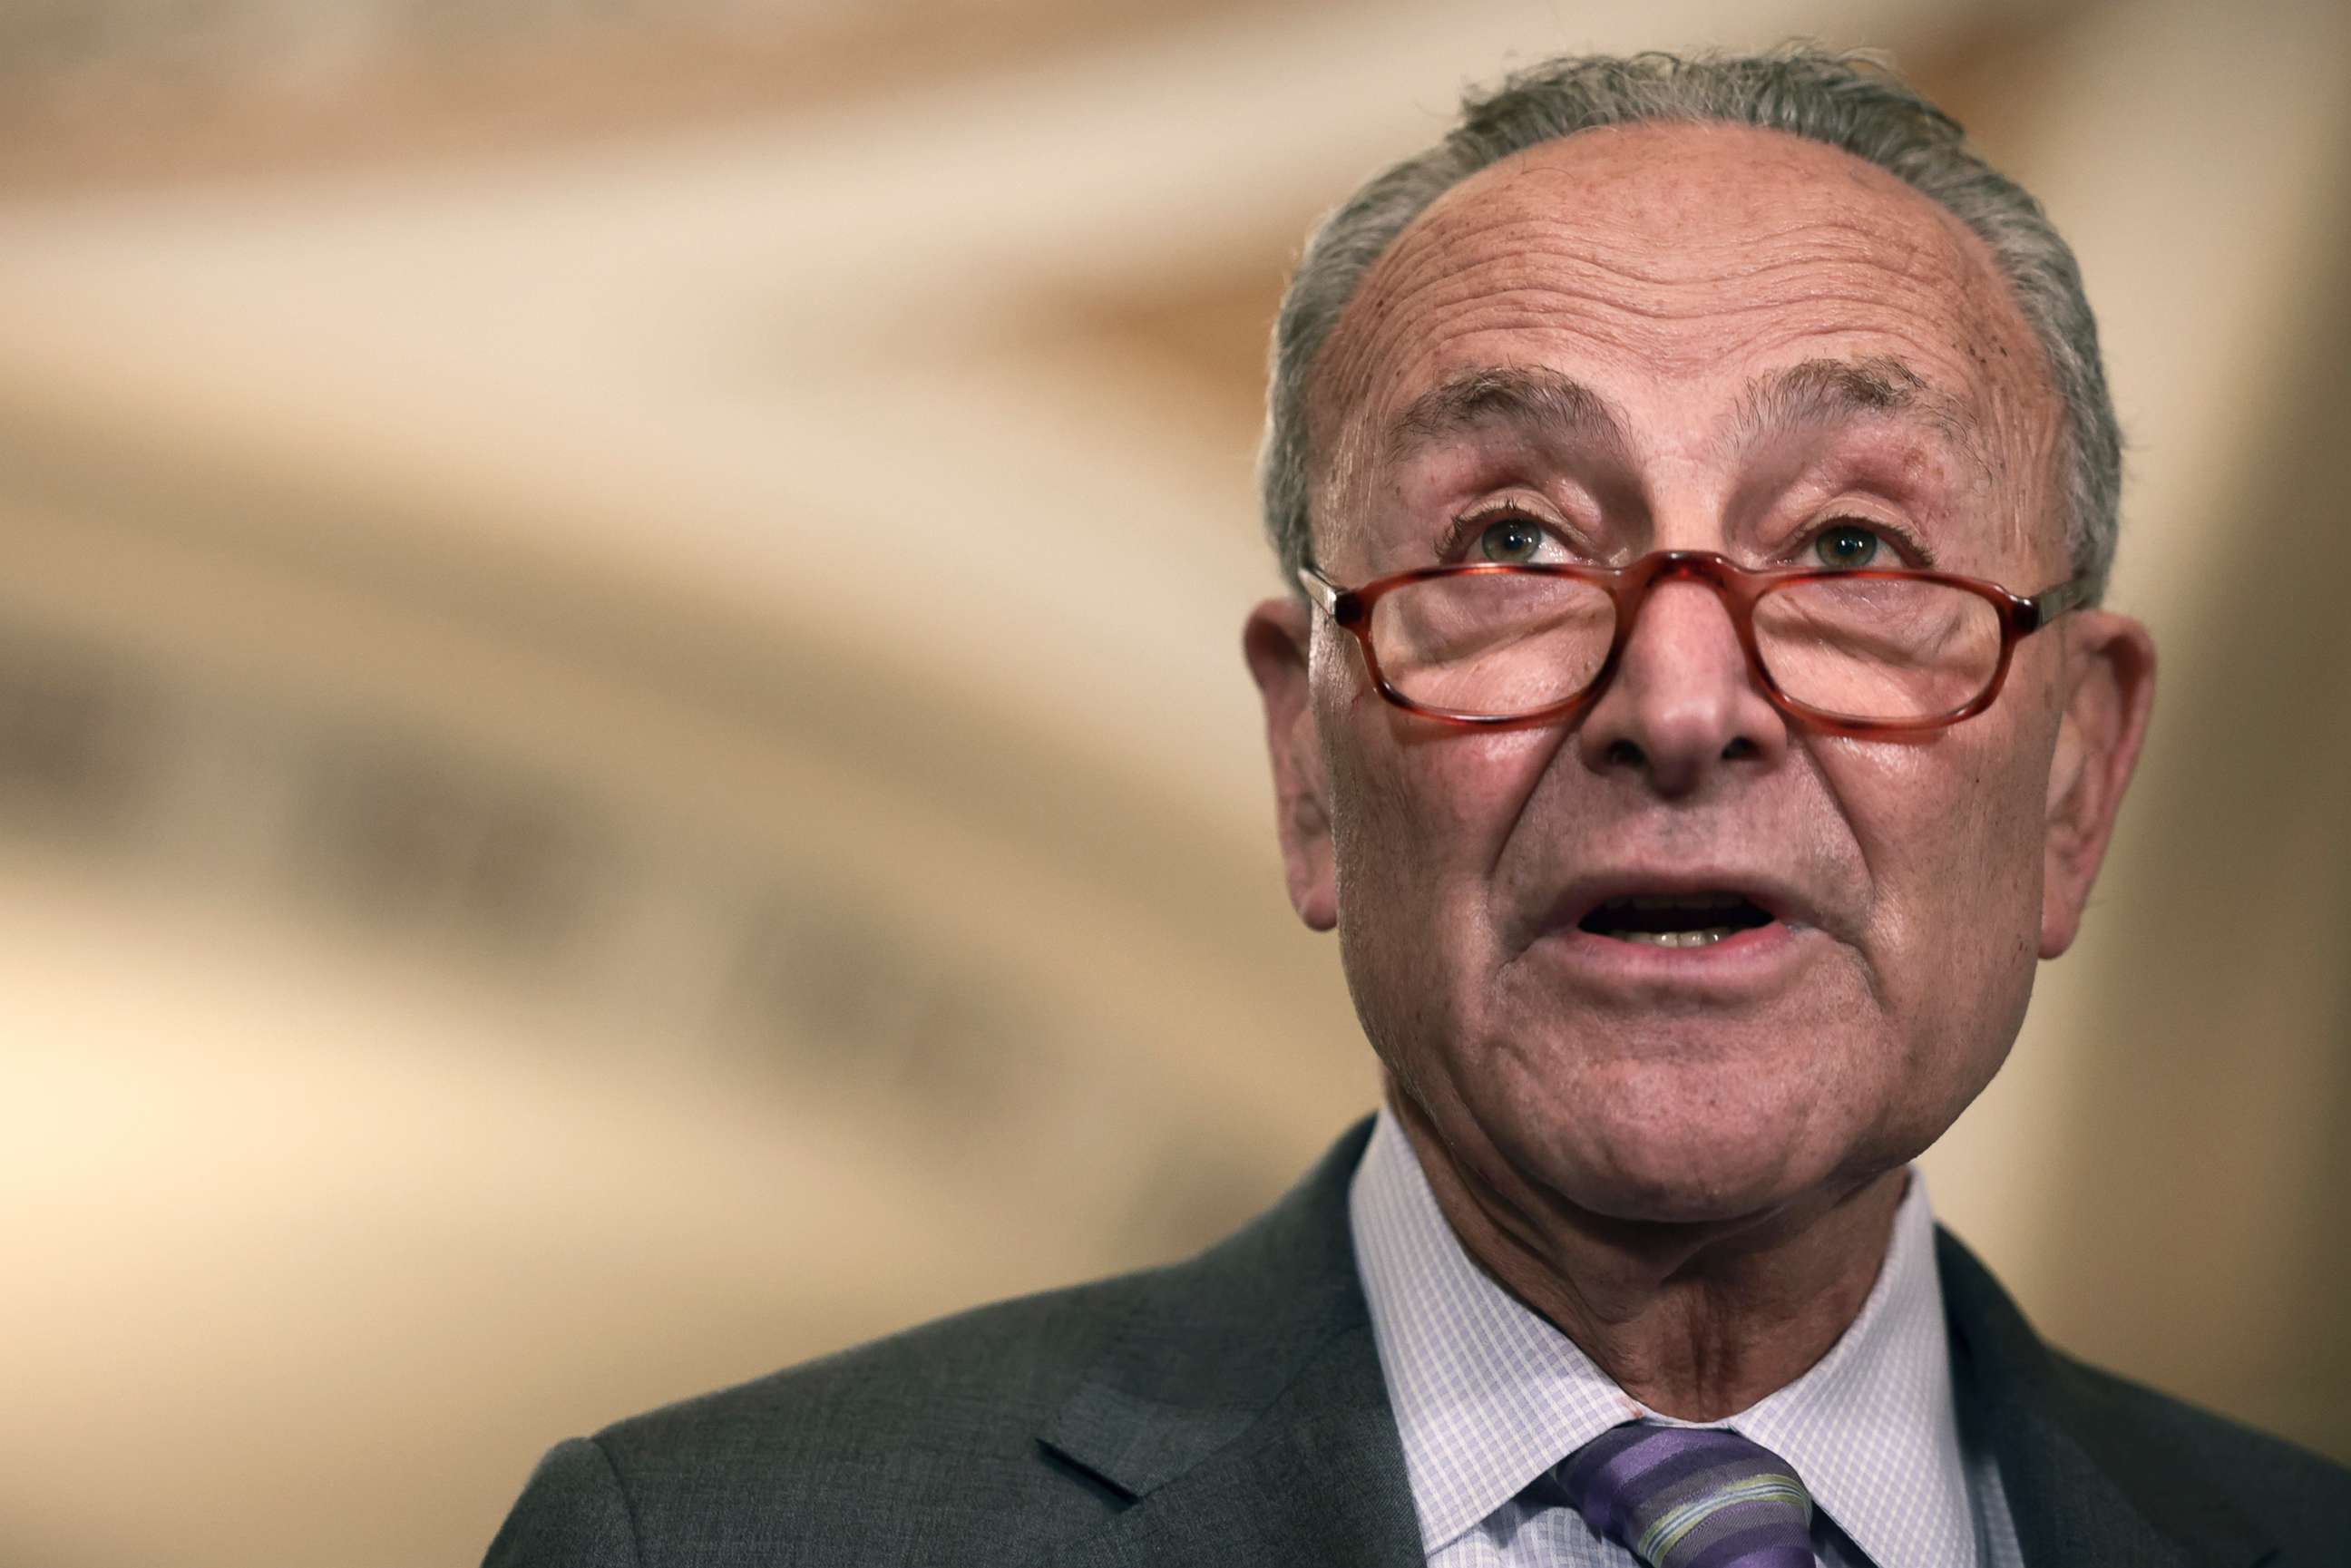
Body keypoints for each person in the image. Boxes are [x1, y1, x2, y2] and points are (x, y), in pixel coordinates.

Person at [486, 48, 2350, 1567]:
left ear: (2078, 782)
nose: (1685, 702)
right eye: (1516, 540)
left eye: (1854, 544)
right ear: (1309, 759)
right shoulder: (723, 1541)